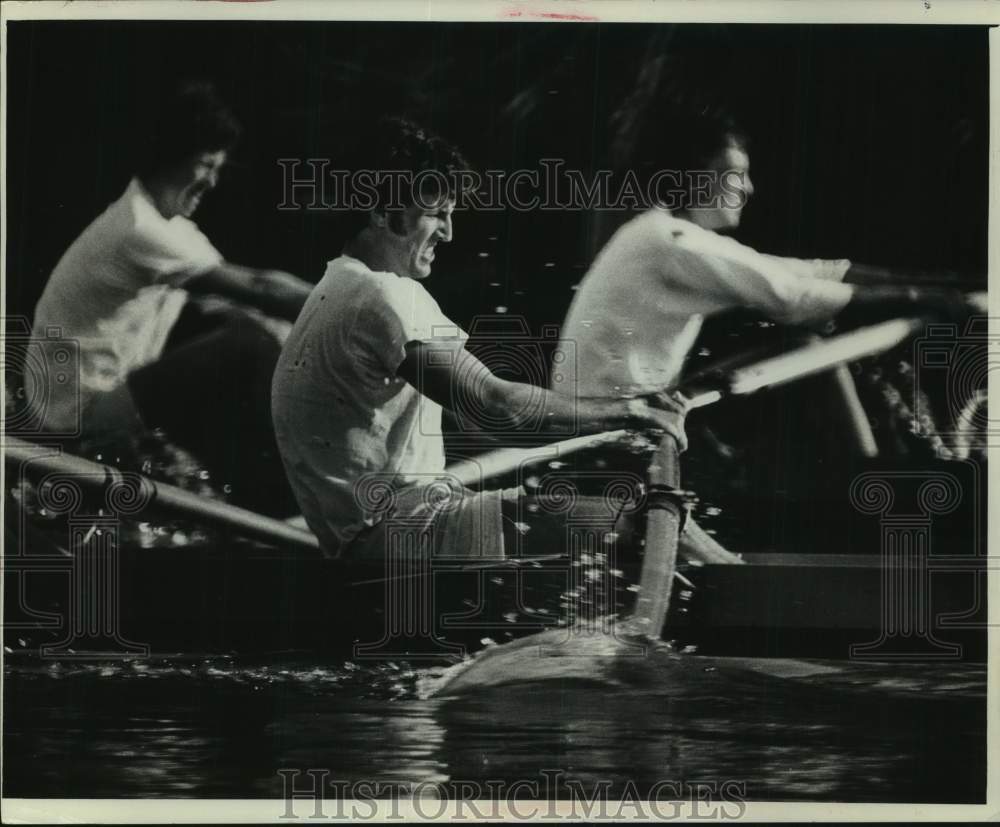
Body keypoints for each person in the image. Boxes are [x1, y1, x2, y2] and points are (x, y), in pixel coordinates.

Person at [555, 101, 979, 558]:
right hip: (611, 442)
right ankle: (870, 489)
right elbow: (793, 298)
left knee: (804, 346)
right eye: (736, 174)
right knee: (802, 338)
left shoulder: (661, 234)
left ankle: (869, 477)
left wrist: (949, 286)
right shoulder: (669, 242)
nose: (750, 188)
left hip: (636, 421)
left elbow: (813, 272)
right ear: (695, 178)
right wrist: (931, 300)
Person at [272, 118, 686, 563]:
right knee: (637, 532)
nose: (449, 233)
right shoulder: (381, 294)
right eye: (436, 214)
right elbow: (496, 406)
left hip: (379, 541)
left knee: (643, 532)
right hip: (404, 536)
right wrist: (631, 413)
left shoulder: (333, 286)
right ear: (381, 213)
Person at [24, 82, 313, 511]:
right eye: (205, 165)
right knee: (246, 347)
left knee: (253, 332)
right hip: (72, 420)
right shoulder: (139, 229)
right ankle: (295, 495)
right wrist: (351, 305)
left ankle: (279, 491)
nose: (212, 182)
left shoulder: (170, 228)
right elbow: (260, 286)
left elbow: (238, 303)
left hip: (93, 402)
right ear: (170, 157)